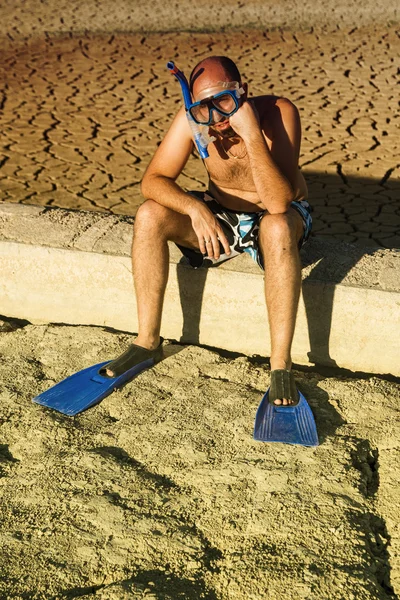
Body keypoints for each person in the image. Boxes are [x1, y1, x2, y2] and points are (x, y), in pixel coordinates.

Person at [103, 55, 312, 407]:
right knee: (150, 214)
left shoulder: (279, 112)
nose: (216, 120)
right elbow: (152, 181)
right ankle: (146, 342)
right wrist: (194, 207)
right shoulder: (193, 121)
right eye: (204, 109)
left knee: (276, 226)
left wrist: (251, 134)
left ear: (242, 92)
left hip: (277, 214)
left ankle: (280, 366)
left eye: (225, 104)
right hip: (221, 214)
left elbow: (279, 202)